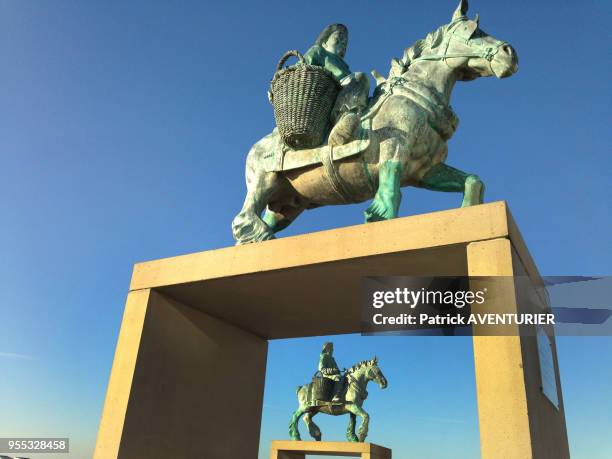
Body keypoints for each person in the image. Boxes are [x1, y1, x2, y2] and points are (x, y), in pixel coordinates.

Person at [303, 24, 370, 147]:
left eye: (345, 41)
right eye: (338, 37)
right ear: (324, 41)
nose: (342, 42)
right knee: (361, 77)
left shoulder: (345, 66)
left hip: (346, 91)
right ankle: (340, 119)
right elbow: (300, 68)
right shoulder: (318, 51)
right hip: (326, 93)